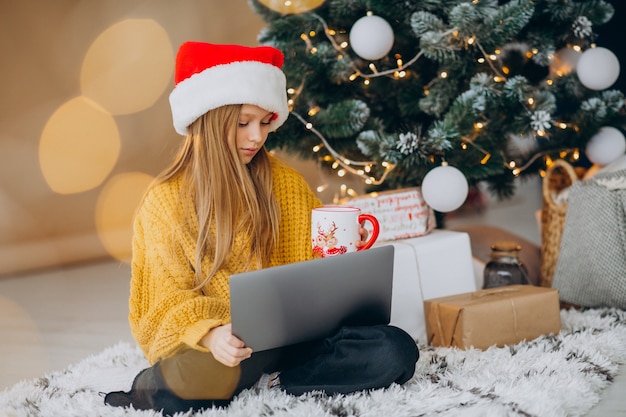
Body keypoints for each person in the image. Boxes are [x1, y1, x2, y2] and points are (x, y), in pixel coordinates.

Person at [104, 41, 419, 416]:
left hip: (299, 338)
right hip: (231, 346)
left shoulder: (284, 183)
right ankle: (154, 384)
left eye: (265, 122)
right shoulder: (165, 200)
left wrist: (344, 255)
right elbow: (165, 300)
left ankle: (279, 380)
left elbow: (316, 269)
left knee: (395, 350)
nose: (257, 137)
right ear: (206, 118)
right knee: (179, 387)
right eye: (242, 123)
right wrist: (211, 333)